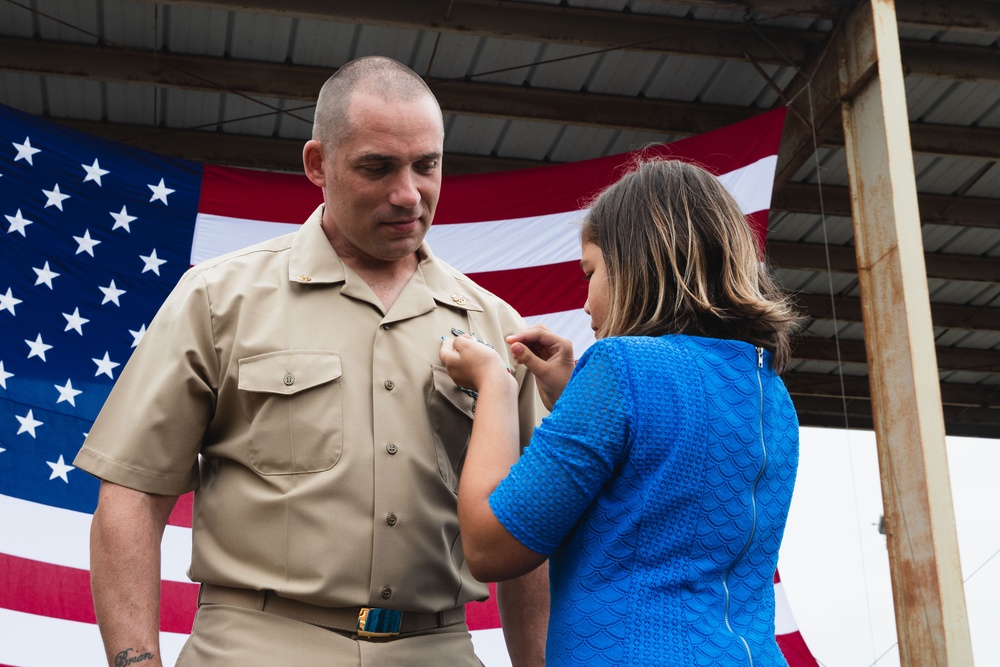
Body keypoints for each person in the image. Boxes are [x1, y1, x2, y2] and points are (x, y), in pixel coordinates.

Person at [74, 56, 548, 667]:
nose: (408, 194)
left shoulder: (496, 327)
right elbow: (133, 494)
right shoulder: (219, 298)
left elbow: (527, 528)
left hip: (439, 649)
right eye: (377, 167)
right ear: (317, 164)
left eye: (426, 165)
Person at [439, 158, 801, 666]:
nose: (585, 302)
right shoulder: (770, 390)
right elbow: (661, 491)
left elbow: (490, 547)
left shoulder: (620, 365)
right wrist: (575, 401)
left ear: (636, 262)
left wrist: (494, 386)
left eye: (591, 272)